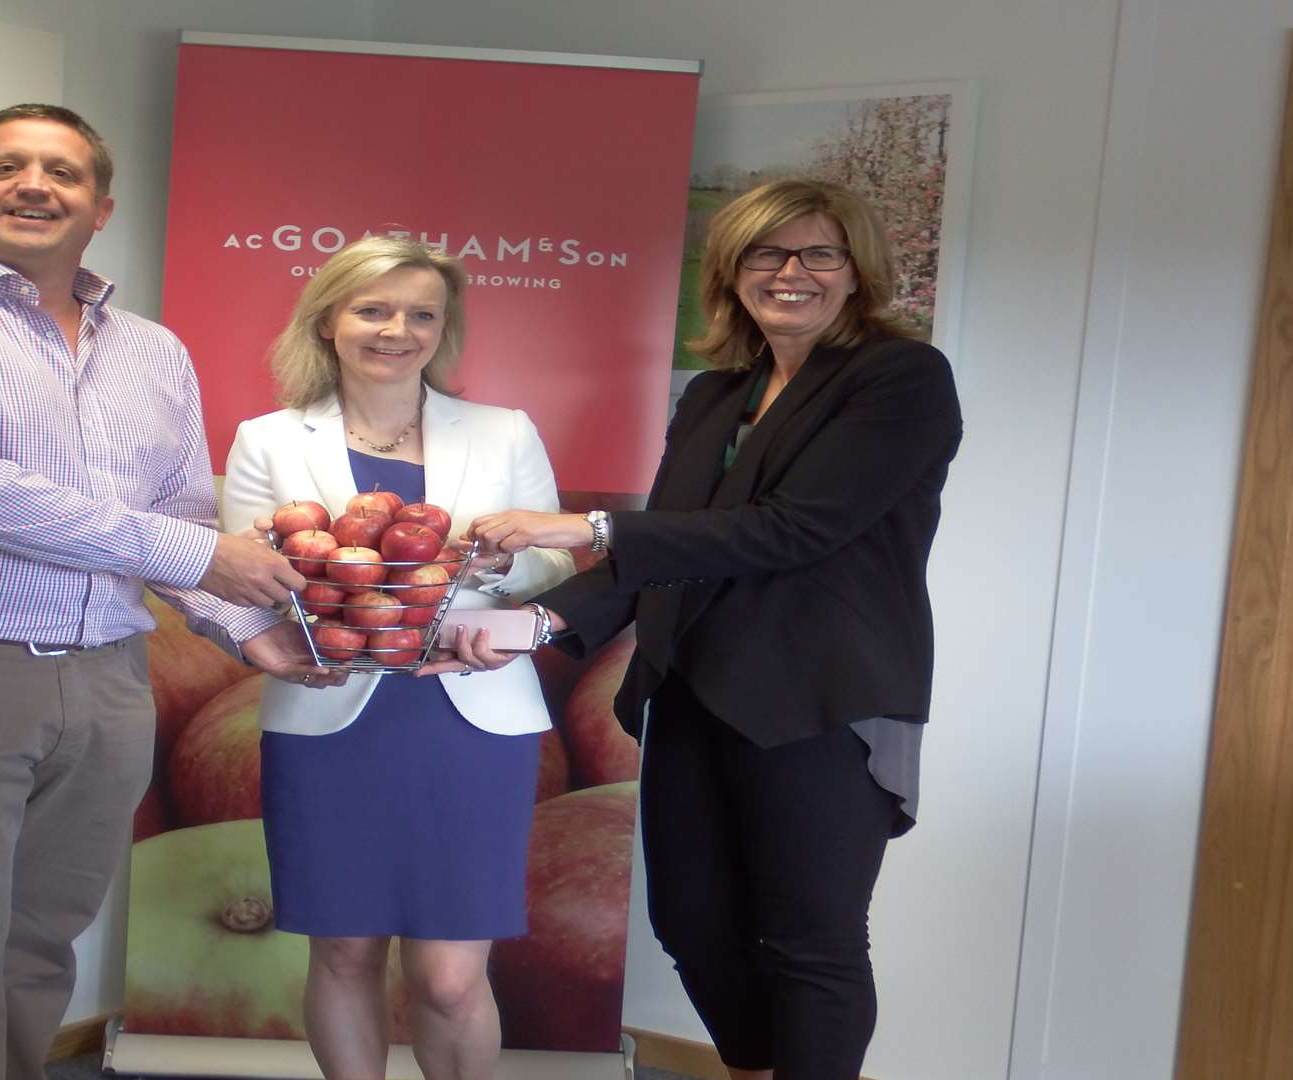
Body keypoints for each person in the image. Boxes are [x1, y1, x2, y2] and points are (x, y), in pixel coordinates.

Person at [0, 103, 333, 1080]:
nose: (34, 185)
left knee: (40, 943)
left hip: (108, 679)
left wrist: (248, 630)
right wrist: (204, 562)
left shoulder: (152, 350)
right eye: (7, 166)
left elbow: (179, 512)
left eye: (62, 173)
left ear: (100, 207)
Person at [468, 179, 963, 1080]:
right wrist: (534, 622)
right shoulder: (717, 397)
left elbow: (797, 527)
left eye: (820, 253)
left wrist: (586, 525)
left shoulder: (899, 379)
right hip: (696, 687)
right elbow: (667, 552)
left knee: (810, 942)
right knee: (694, 928)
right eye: (767, 254)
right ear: (733, 273)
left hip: (824, 695)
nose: (793, 273)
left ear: (858, 273)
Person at [218, 236, 576, 1080]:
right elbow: (242, 578)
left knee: (450, 979)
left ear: (443, 329)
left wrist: (501, 560)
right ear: (329, 322)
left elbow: (553, 560)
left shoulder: (504, 431)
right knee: (343, 952)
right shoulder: (267, 439)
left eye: (422, 313)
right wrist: (299, 569)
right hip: (330, 712)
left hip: (471, 716)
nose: (396, 330)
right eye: (373, 309)